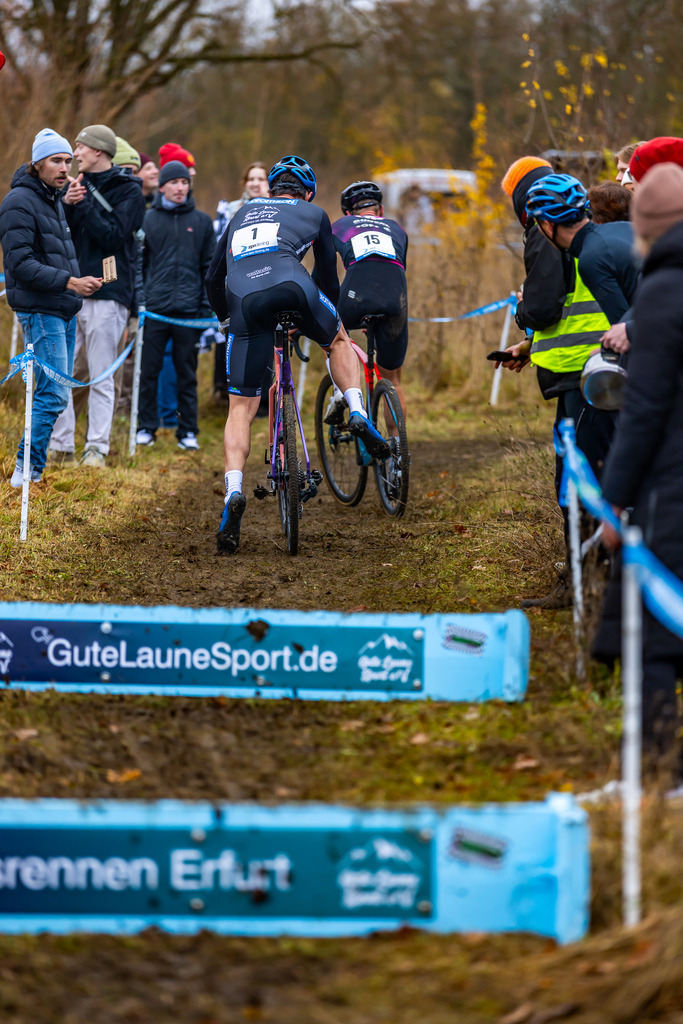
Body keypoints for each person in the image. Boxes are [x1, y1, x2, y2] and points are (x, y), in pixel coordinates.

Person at [205, 154, 390, 555]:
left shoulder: (242, 212)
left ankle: (233, 493)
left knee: (241, 407)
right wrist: (324, 320)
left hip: (243, 300)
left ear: (270, 191)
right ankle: (357, 409)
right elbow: (327, 277)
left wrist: (225, 320)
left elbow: (211, 276)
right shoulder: (313, 212)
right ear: (307, 193)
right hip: (294, 288)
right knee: (338, 340)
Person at [595, 163, 683, 777]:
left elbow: (645, 409)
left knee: (654, 632)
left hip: (671, 484)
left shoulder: (663, 291)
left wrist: (610, 503)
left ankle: (659, 774)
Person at [499, 169, 620, 607]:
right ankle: (591, 575)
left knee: (576, 481)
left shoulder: (549, 238)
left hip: (581, 375)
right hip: (601, 370)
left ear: (545, 221)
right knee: (596, 475)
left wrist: (521, 311)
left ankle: (581, 582)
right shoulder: (603, 241)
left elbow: (547, 305)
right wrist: (531, 346)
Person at [0, 129, 102, 483]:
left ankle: (31, 472)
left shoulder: (53, 200)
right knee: (54, 394)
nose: (64, 168)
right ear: (38, 163)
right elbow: (20, 264)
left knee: (53, 392)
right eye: (56, 161)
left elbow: (56, 255)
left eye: (67, 161)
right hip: (41, 310)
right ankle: (25, 472)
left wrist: (78, 283)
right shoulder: (18, 202)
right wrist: (69, 282)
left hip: (62, 308)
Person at [48, 123, 145, 467]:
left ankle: (96, 448)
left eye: (80, 147)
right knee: (65, 370)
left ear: (99, 152)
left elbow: (113, 238)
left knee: (102, 373)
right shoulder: (73, 187)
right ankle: (61, 446)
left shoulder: (130, 191)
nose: (75, 154)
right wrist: (68, 205)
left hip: (109, 292)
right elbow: (62, 237)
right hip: (71, 291)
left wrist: (84, 206)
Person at [135, 160, 215, 450]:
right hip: (155, 311)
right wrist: (140, 304)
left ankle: (188, 431)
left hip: (189, 313)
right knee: (149, 372)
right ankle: (146, 428)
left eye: (184, 182)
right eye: (174, 183)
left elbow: (210, 269)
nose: (180, 187)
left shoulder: (202, 222)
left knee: (187, 374)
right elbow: (138, 266)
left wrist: (206, 309)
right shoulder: (147, 220)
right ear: (162, 186)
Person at [326, 180, 409, 432]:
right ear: (380, 210)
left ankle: (343, 393)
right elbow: (395, 270)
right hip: (396, 300)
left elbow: (324, 277)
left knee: (330, 338)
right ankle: (397, 453)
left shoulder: (339, 226)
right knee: (393, 378)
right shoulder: (397, 229)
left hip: (355, 297)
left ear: (349, 213)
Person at [213, 162, 270, 403]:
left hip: (268, 280)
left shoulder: (277, 208)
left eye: (261, 179)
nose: (255, 183)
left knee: (267, 340)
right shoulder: (231, 210)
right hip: (236, 280)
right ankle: (227, 393)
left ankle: (267, 398)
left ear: (269, 183)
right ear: (244, 183)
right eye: (251, 179)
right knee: (232, 337)